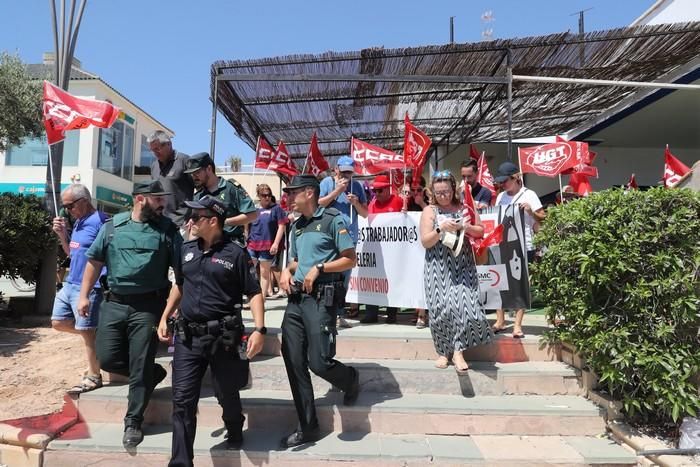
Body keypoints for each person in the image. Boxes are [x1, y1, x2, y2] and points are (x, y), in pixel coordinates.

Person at [156, 195, 266, 466]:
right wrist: (165, 314)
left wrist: (260, 330)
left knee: (226, 391)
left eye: (196, 217)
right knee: (182, 400)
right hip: (188, 337)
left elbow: (254, 292)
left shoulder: (236, 253)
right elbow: (180, 285)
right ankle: (181, 461)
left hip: (223, 337)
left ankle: (234, 424)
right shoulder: (187, 250)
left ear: (213, 221)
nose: (190, 222)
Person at [78, 180, 183, 448]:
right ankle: (150, 373)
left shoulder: (168, 230)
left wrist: (170, 313)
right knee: (107, 358)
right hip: (113, 304)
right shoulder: (112, 227)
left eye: (163, 198)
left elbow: (182, 275)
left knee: (138, 364)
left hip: (148, 307)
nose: (163, 203)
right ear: (140, 198)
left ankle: (133, 421)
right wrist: (83, 295)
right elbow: (94, 261)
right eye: (157, 198)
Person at [278, 175, 360, 448]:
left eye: (293, 192)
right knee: (293, 361)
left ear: (310, 193)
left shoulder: (333, 219)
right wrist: (284, 272)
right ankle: (308, 427)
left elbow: (350, 257)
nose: (289, 197)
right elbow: (296, 261)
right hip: (295, 301)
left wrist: (321, 268)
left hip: (320, 300)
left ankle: (349, 379)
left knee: (319, 361)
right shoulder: (297, 226)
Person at [419, 170, 492, 373]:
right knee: (440, 309)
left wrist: (464, 227)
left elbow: (481, 230)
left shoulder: (465, 207)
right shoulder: (430, 211)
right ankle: (444, 351)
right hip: (438, 266)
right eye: (439, 192)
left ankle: (459, 350)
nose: (443, 196)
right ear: (433, 192)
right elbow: (425, 241)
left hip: (463, 264)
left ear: (453, 189)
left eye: (447, 192)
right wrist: (440, 228)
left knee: (467, 306)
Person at [51, 184, 109, 393]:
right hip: (70, 282)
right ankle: (99, 337)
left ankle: (94, 375)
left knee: (86, 331)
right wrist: (62, 234)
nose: (67, 210)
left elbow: (106, 255)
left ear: (84, 200)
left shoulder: (101, 222)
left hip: (90, 286)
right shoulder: (78, 223)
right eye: (65, 206)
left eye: (69, 205)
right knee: (58, 322)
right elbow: (71, 253)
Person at [492, 161, 546, 338]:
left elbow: (543, 218)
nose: (503, 184)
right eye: (501, 181)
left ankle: (517, 324)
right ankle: (500, 320)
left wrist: (531, 212)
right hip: (502, 244)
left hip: (524, 245)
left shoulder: (529, 195)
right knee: (499, 282)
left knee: (520, 284)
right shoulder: (500, 197)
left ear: (515, 178)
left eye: (505, 180)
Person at [319, 156, 368, 325]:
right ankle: (326, 313)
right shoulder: (326, 182)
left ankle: (339, 313)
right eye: (344, 171)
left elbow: (365, 213)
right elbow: (319, 205)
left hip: (350, 236)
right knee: (328, 275)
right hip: (329, 236)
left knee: (344, 278)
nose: (346, 175)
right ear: (336, 169)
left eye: (349, 172)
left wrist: (355, 203)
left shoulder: (357, 186)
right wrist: (336, 192)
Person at [185, 152, 257, 245]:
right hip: (206, 248)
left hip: (230, 246)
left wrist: (224, 222)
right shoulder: (198, 196)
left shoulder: (230, 188)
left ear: (209, 169)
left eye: (197, 173)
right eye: (192, 174)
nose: (194, 177)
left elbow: (252, 214)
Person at [361, 174, 403, 324]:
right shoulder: (372, 204)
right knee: (373, 280)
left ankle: (392, 314)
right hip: (376, 250)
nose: (377, 194)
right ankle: (371, 313)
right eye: (375, 191)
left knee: (393, 281)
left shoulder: (398, 201)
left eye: (380, 191)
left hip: (394, 251)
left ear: (388, 189)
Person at [247, 184, 289, 299]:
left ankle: (262, 299)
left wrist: (276, 243)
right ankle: (251, 295)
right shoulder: (254, 209)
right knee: (248, 270)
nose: (267, 198)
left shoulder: (277, 209)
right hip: (252, 243)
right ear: (259, 196)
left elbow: (281, 226)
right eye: (264, 195)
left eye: (269, 195)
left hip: (268, 245)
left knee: (264, 273)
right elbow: (247, 224)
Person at [147, 130, 194, 227]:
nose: (155, 153)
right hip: (160, 222)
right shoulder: (154, 166)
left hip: (181, 223)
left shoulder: (185, 161)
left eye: (157, 149)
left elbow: (200, 189)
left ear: (169, 144)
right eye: (153, 150)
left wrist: (193, 216)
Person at [400, 175, 429, 328]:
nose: (416, 192)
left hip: (427, 246)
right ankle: (417, 310)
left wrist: (422, 203)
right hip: (411, 248)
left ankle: (422, 315)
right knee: (415, 280)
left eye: (419, 190)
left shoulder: (430, 201)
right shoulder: (407, 202)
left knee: (423, 280)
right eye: (413, 190)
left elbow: (433, 215)